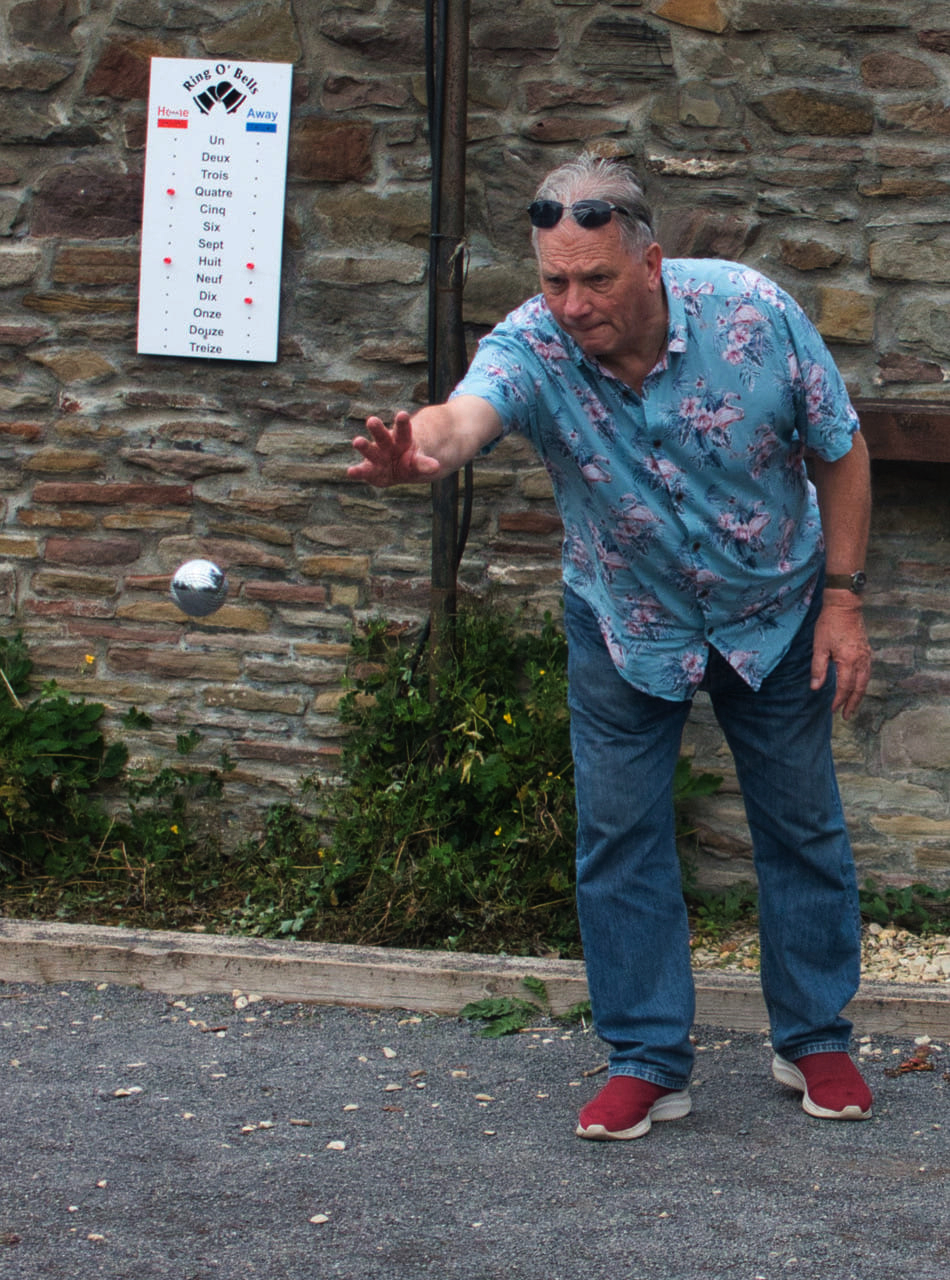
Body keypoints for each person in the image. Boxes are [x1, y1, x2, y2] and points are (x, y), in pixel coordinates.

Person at [348, 152, 874, 1140]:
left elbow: (837, 449)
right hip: (624, 618)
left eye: (594, 279)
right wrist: (422, 447)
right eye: (554, 280)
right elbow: (465, 414)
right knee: (618, 836)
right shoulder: (530, 344)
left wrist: (842, 600)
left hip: (775, 607)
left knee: (799, 824)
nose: (572, 302)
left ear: (650, 263)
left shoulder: (752, 314)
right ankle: (645, 1057)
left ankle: (813, 1035)